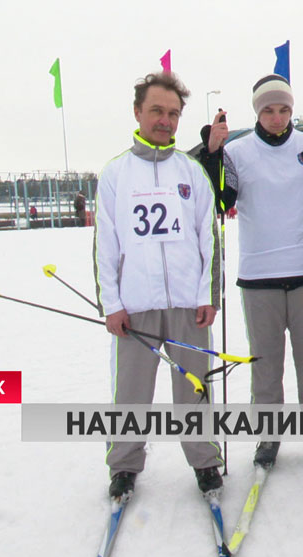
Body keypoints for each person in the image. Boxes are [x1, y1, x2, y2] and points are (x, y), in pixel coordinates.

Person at [200, 74, 303, 469]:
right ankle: (267, 437)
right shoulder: (238, 152)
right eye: (268, 110)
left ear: (292, 110)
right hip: (259, 276)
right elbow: (219, 200)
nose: (276, 117)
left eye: (284, 109)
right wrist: (212, 153)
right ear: (257, 111)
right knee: (265, 364)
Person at [94, 71, 223, 500]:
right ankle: (124, 465)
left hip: (188, 305)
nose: (165, 120)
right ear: (138, 112)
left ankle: (205, 461)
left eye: (173, 113)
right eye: (156, 111)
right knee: (131, 392)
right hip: (136, 306)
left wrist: (207, 296)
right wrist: (111, 304)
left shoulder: (191, 171)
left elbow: (209, 238)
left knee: (194, 388)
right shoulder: (115, 174)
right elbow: (106, 245)